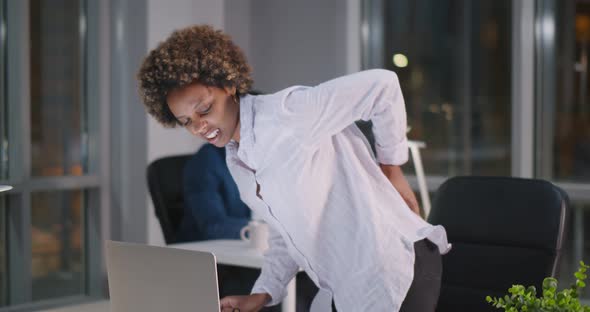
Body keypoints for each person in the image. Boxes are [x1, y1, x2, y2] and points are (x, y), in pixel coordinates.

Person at [137, 25, 451, 312]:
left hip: (393, 267)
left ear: (228, 84)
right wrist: (261, 294)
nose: (199, 127)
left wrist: (392, 170)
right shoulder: (237, 159)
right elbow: (284, 234)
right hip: (348, 284)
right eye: (186, 122)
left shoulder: (287, 114)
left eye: (204, 109)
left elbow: (383, 86)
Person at [177, 143, 251, 242]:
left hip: (250, 246)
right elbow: (213, 226)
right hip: (206, 251)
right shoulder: (205, 162)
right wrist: (268, 229)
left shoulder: (265, 155)